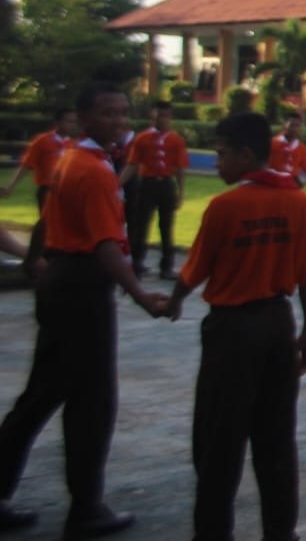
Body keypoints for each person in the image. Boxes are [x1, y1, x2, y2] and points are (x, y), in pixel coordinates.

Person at [0, 82, 167, 538]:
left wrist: (38, 262)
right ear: (85, 117)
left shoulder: (73, 159)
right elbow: (105, 247)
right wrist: (141, 295)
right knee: (92, 401)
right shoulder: (92, 171)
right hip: (81, 291)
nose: (119, 121)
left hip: (62, 283)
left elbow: (56, 223)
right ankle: (86, 507)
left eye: (123, 113)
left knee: (44, 393)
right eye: (108, 114)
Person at [161, 112, 306, 541]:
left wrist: (171, 302)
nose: (217, 163)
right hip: (278, 323)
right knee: (276, 439)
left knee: (218, 441)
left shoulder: (226, 206)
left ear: (246, 154)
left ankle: (213, 532)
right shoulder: (297, 200)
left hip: (232, 331)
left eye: (222, 154)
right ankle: (280, 531)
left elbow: (195, 271)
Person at [119, 101, 190, 280]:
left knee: (166, 226)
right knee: (140, 225)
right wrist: (117, 183)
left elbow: (180, 168)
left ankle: (166, 266)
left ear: (170, 117)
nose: (162, 119)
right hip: (147, 184)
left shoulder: (176, 140)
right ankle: (136, 264)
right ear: (152, 116)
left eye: (166, 116)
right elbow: (132, 164)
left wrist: (180, 193)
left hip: (166, 184)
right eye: (159, 115)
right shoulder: (142, 138)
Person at [0, 108, 77, 205]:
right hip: (47, 190)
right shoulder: (43, 141)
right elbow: (27, 164)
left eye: (74, 122)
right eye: (69, 121)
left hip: (67, 190)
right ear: (58, 122)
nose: (73, 125)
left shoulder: (73, 144)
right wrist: (11, 186)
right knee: (48, 219)